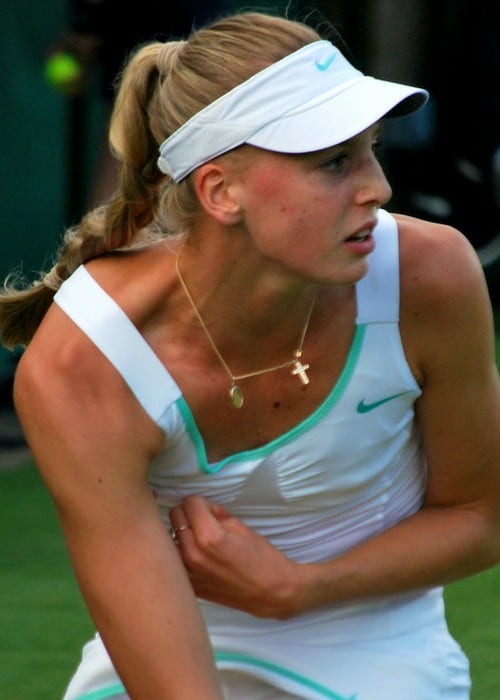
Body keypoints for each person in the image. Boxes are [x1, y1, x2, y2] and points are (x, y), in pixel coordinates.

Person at [1, 10, 499, 700]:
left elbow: (481, 516)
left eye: (371, 149)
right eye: (333, 162)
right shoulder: (83, 362)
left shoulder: (431, 275)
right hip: (170, 649)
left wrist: (298, 587)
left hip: (382, 652)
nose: (378, 188)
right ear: (219, 191)